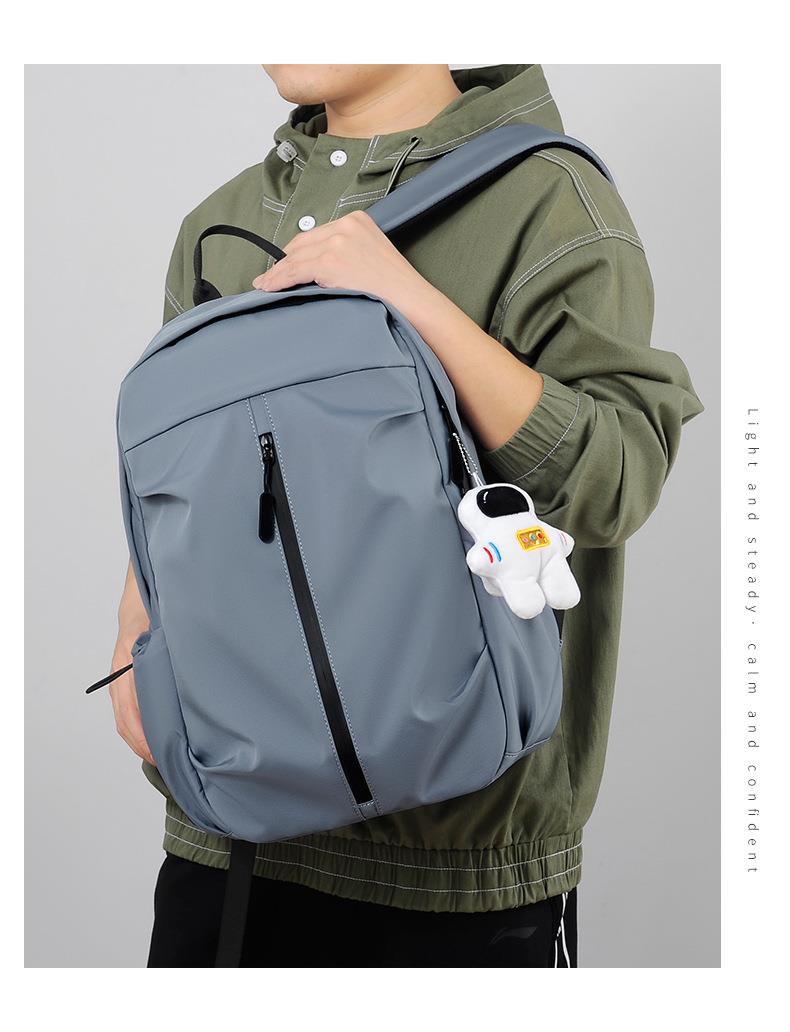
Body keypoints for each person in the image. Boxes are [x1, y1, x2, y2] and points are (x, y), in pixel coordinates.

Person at [109, 64, 703, 967]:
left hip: (455, 869)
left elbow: (615, 480)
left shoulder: (546, 197)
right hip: (229, 840)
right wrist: (134, 636)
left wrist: (407, 297)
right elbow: (181, 488)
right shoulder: (219, 225)